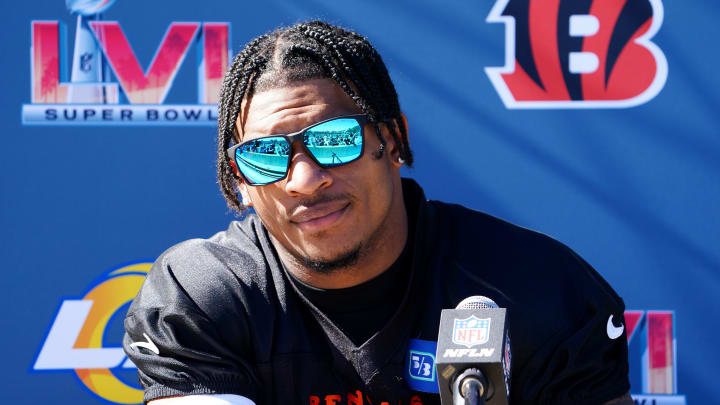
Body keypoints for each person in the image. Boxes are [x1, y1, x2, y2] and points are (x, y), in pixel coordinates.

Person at [123, 21, 633, 405]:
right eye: (265, 155)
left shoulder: (539, 287)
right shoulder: (202, 294)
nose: (306, 179)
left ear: (390, 139)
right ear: (241, 181)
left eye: (334, 141)